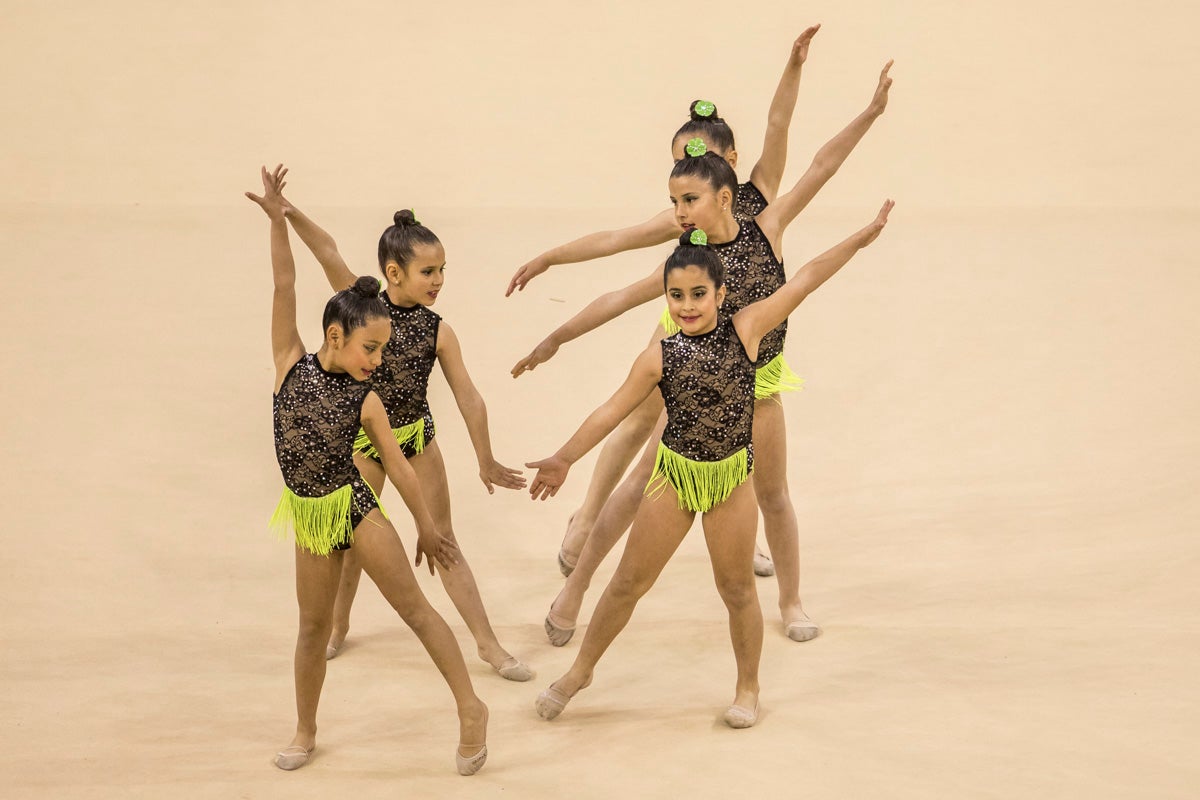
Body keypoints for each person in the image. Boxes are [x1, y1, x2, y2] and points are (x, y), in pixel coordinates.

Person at [514, 62, 894, 645]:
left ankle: (790, 599)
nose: (680, 205)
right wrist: (556, 324)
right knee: (639, 468)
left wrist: (863, 109)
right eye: (675, 187)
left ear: (726, 173)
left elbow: (810, 155)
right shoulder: (687, 249)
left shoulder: (763, 216)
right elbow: (619, 282)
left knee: (773, 493)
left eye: (691, 187)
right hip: (694, 368)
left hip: (757, 380)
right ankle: (577, 581)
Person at [527, 201, 893, 728]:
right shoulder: (659, 356)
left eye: (699, 294)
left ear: (721, 294)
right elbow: (612, 410)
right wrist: (564, 457)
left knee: (738, 589)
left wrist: (862, 235)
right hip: (674, 477)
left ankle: (748, 685)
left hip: (728, 481)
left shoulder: (747, 329)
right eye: (676, 295)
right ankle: (581, 670)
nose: (688, 306)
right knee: (628, 582)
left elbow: (807, 277)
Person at [507, 26, 822, 578]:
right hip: (685, 327)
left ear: (730, 159)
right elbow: (613, 242)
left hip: (744, 342)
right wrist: (552, 258)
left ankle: (735, 526)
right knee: (634, 424)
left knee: (734, 427)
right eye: (680, 162)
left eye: (702, 157)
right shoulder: (682, 216)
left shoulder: (761, 195)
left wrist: (794, 65)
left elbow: (780, 124)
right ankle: (586, 518)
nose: (689, 169)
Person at [246, 165, 488, 775]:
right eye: (370, 350)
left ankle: (470, 708)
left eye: (382, 350)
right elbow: (284, 283)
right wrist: (279, 220)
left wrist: (426, 527)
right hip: (310, 514)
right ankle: (305, 728)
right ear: (334, 334)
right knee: (310, 628)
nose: (377, 361)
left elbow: (401, 468)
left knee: (415, 611)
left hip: (354, 507)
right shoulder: (288, 363)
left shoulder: (366, 398)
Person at [276, 181, 533, 681]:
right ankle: (338, 625)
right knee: (351, 544)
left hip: (414, 440)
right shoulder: (362, 307)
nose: (438, 281)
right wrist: (289, 213)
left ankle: (488, 644)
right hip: (362, 445)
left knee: (443, 540)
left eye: (441, 271)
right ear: (394, 273)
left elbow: (468, 395)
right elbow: (326, 249)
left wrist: (484, 456)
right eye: (428, 272)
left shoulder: (439, 330)